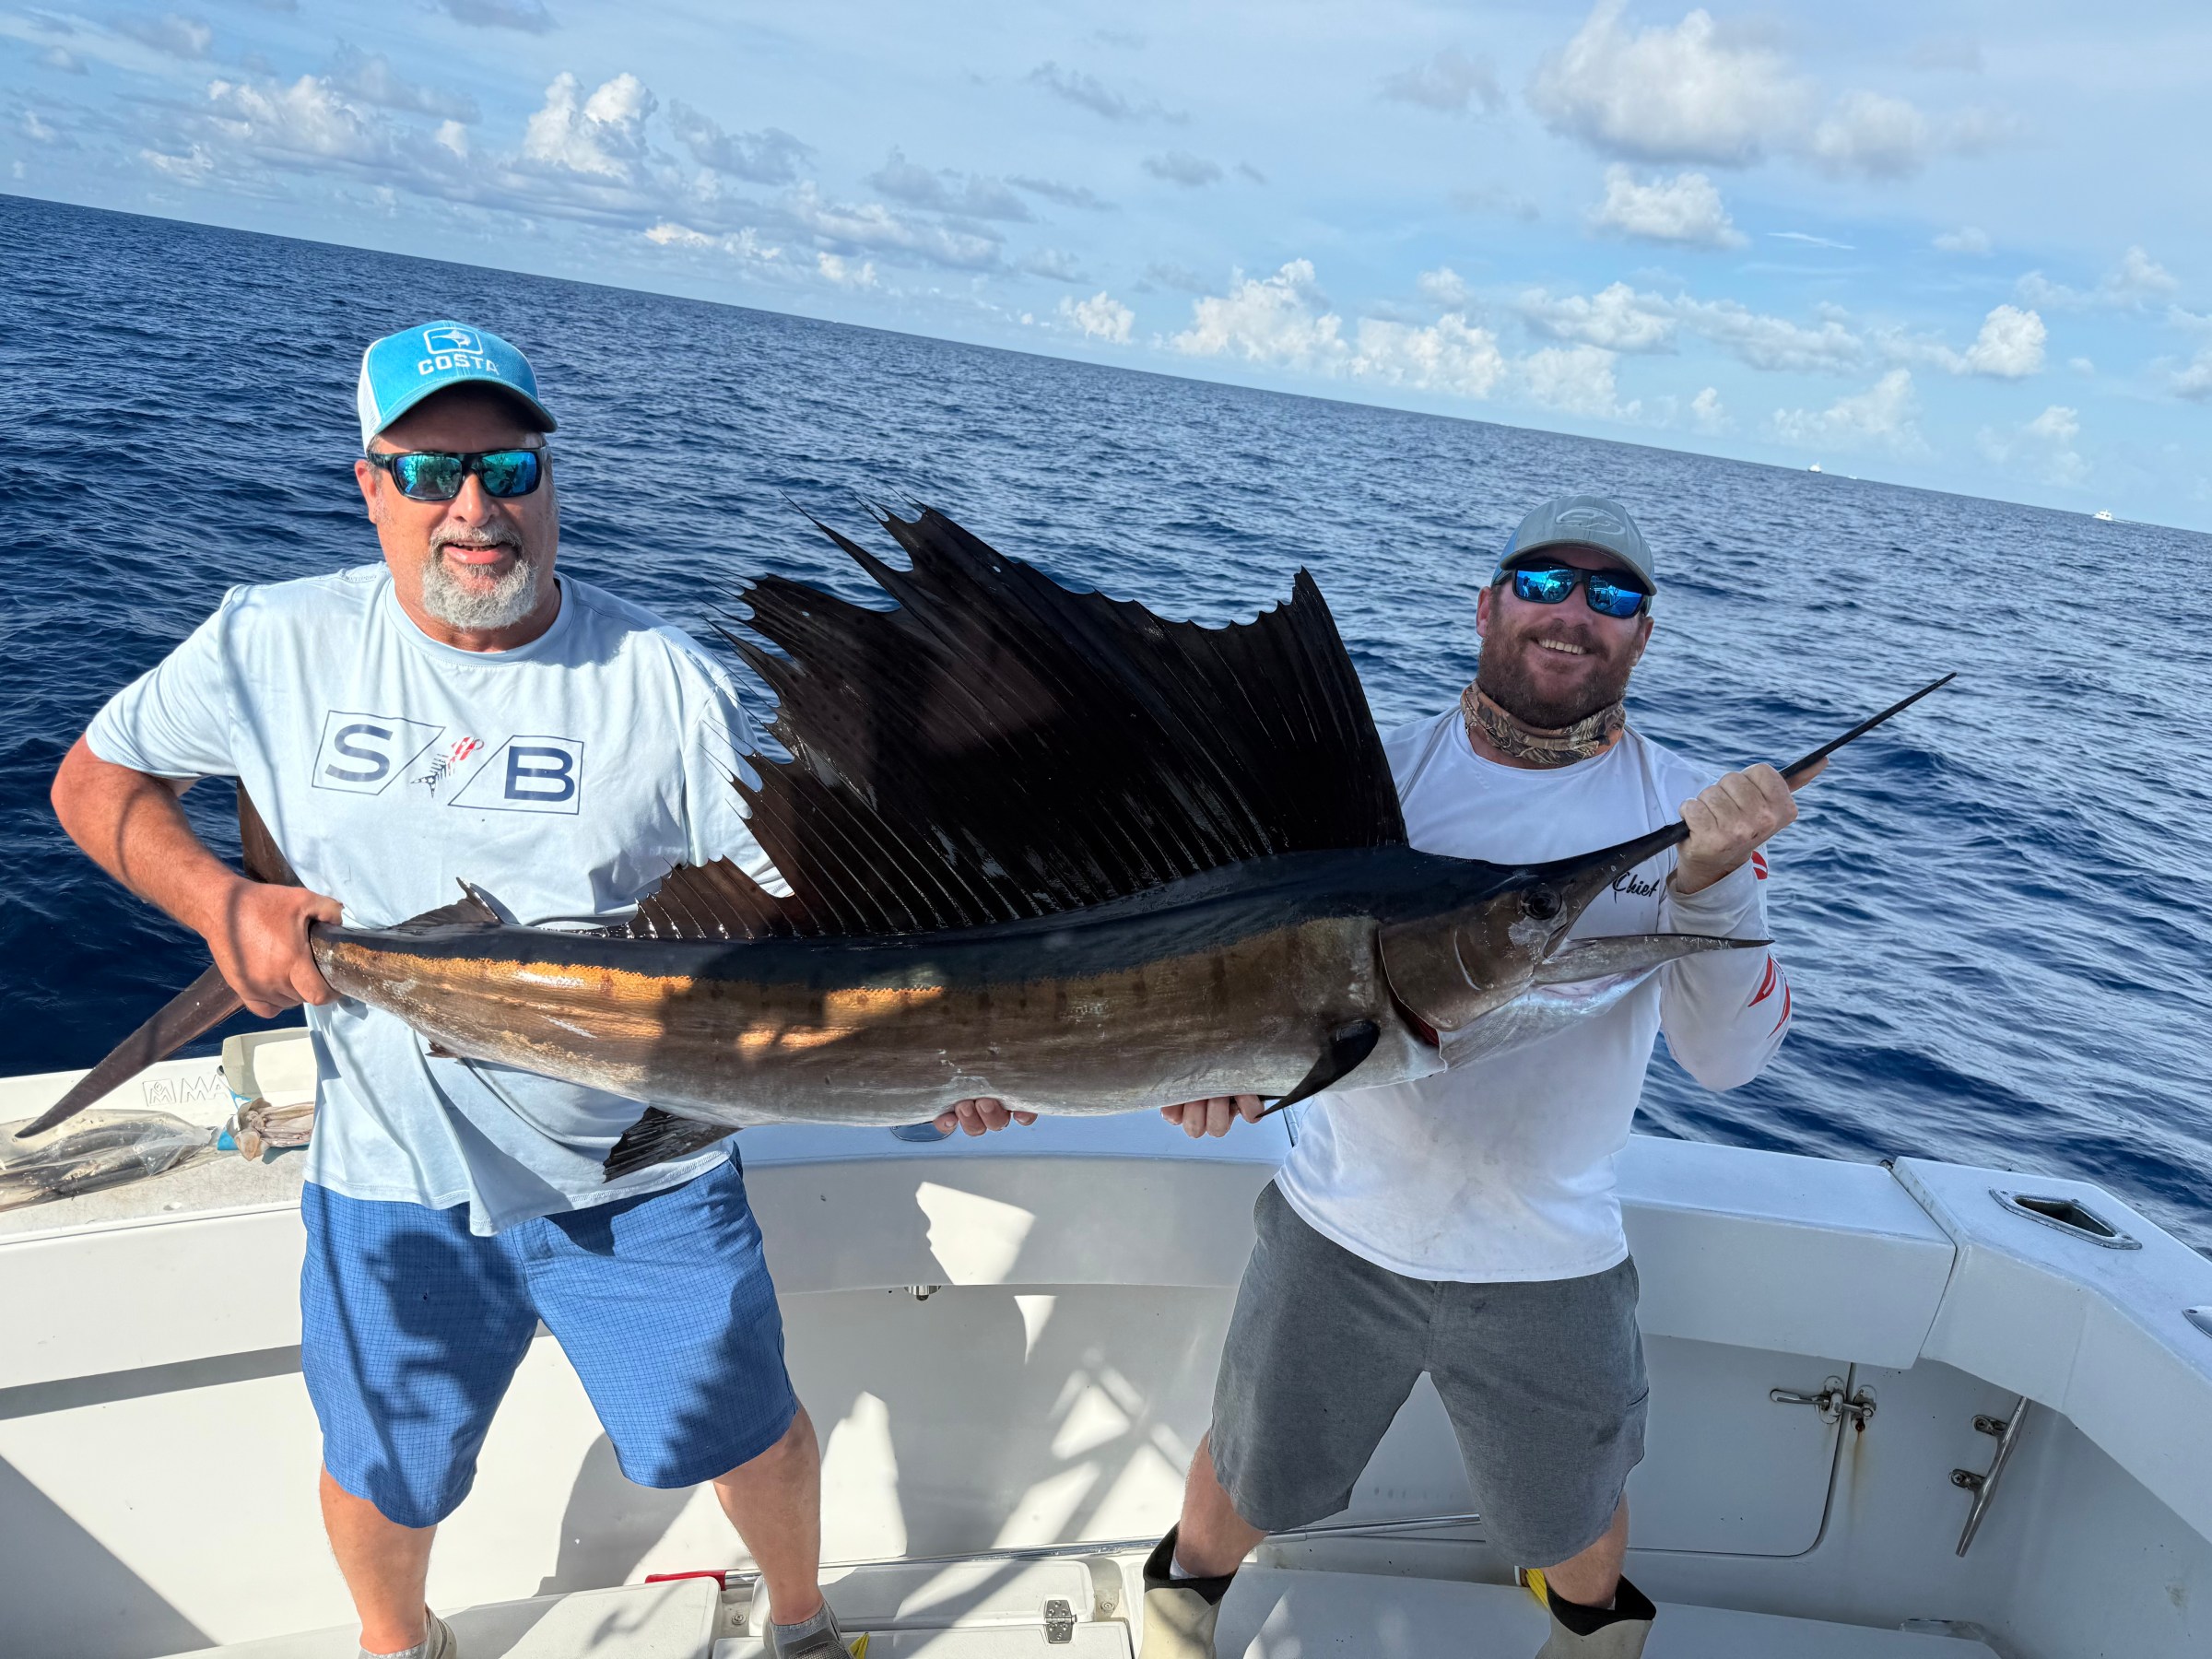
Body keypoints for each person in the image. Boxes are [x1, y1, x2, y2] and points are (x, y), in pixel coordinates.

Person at [48, 321, 1015, 1659]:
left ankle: (800, 1623)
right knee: (386, 1471)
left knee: (751, 1432)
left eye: (507, 467)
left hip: (641, 1165)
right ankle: (402, 1647)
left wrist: (933, 1071)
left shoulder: (661, 682)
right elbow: (94, 786)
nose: (474, 508)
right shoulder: (267, 644)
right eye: (432, 473)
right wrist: (225, 904)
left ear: (550, 477)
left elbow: (801, 940)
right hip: (391, 1171)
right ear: (368, 485)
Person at [1136, 496, 1814, 1659]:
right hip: (1337, 1229)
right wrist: (1208, 1071)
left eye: (1613, 596)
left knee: (1573, 1515)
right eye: (1544, 582)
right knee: (1248, 1466)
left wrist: (1713, 886)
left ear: (1642, 635)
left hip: (1550, 1258)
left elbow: (1729, 1063)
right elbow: (1239, 1000)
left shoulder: (1691, 820)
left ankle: (1593, 1634)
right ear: (1488, 602)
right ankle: (1178, 1602)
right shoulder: (1369, 784)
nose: (1573, 613)